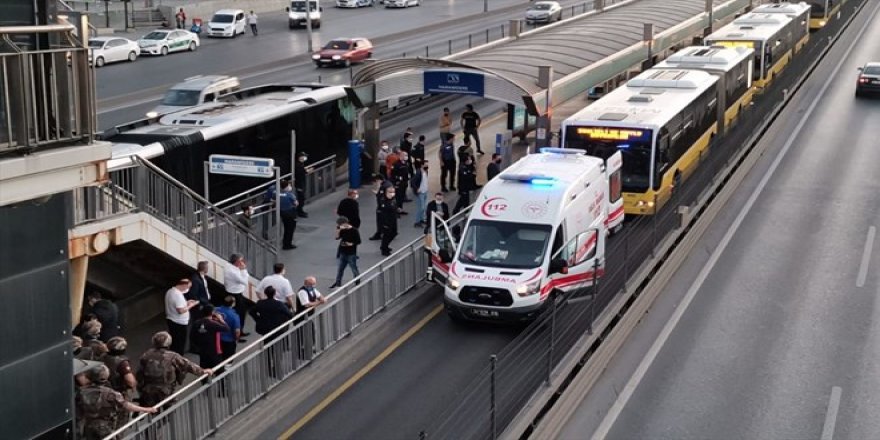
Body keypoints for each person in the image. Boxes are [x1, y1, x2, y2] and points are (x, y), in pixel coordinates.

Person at [76, 365, 156, 439]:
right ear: (106, 376)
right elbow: (126, 405)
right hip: (105, 428)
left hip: (87, 427)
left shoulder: (81, 392)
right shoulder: (111, 394)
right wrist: (146, 409)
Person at [137, 331, 213, 407]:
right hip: (166, 390)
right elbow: (188, 365)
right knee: (168, 412)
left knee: (154, 412)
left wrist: (140, 389)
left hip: (149, 390)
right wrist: (203, 371)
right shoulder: (172, 356)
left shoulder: (146, 355)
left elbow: (139, 373)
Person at [189, 305, 230, 369]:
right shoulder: (213, 324)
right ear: (212, 313)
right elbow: (226, 328)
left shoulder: (196, 323)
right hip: (214, 352)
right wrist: (221, 319)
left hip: (202, 351)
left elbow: (192, 336)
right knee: (218, 370)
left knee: (204, 370)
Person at [165, 278, 198, 356]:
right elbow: (180, 310)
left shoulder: (170, 291)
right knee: (179, 344)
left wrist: (186, 303)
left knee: (175, 342)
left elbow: (177, 305)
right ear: (184, 285)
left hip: (172, 319)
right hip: (179, 323)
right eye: (188, 287)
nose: (188, 289)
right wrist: (190, 305)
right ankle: (178, 359)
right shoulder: (177, 295)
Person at [224, 253, 251, 335]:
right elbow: (244, 282)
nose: (243, 262)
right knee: (240, 313)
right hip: (235, 294)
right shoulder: (233, 272)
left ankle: (239, 330)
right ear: (237, 262)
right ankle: (237, 332)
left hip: (233, 292)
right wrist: (243, 270)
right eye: (241, 261)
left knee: (239, 312)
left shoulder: (229, 266)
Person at [102, 336, 138, 401]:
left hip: (103, 389)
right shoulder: (122, 363)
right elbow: (130, 381)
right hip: (117, 391)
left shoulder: (102, 357)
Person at [331, 216, 361, 288]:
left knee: (353, 268)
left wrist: (351, 243)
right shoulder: (342, 230)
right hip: (343, 251)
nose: (339, 226)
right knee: (340, 268)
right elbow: (337, 238)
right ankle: (338, 282)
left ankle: (357, 280)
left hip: (351, 252)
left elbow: (358, 241)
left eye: (340, 224)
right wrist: (338, 230)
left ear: (345, 223)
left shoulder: (354, 230)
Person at [377, 185, 399, 256]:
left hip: (393, 220)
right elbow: (383, 211)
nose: (392, 193)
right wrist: (384, 224)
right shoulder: (383, 201)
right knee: (386, 235)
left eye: (393, 192)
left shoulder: (393, 199)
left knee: (394, 233)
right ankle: (384, 249)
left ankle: (384, 245)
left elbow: (394, 207)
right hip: (386, 221)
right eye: (390, 192)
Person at [279, 181, 299, 249]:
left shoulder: (279, 194)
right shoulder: (290, 195)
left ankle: (285, 242)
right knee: (290, 229)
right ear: (287, 186)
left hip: (282, 213)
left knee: (286, 228)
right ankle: (288, 244)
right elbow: (296, 203)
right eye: (289, 185)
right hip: (290, 213)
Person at [411, 161, 429, 228]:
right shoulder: (418, 172)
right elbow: (412, 181)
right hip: (420, 192)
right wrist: (416, 189)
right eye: (426, 164)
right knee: (421, 207)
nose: (427, 165)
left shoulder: (425, 171)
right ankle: (417, 221)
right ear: (422, 165)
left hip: (425, 191)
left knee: (424, 207)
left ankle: (421, 219)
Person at [294, 152, 309, 218]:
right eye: (304, 156)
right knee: (301, 198)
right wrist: (306, 171)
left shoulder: (301, 164)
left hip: (301, 184)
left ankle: (300, 211)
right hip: (299, 184)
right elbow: (299, 173)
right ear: (300, 157)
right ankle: (299, 212)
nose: (305, 158)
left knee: (302, 198)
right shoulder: (298, 165)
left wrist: (305, 170)